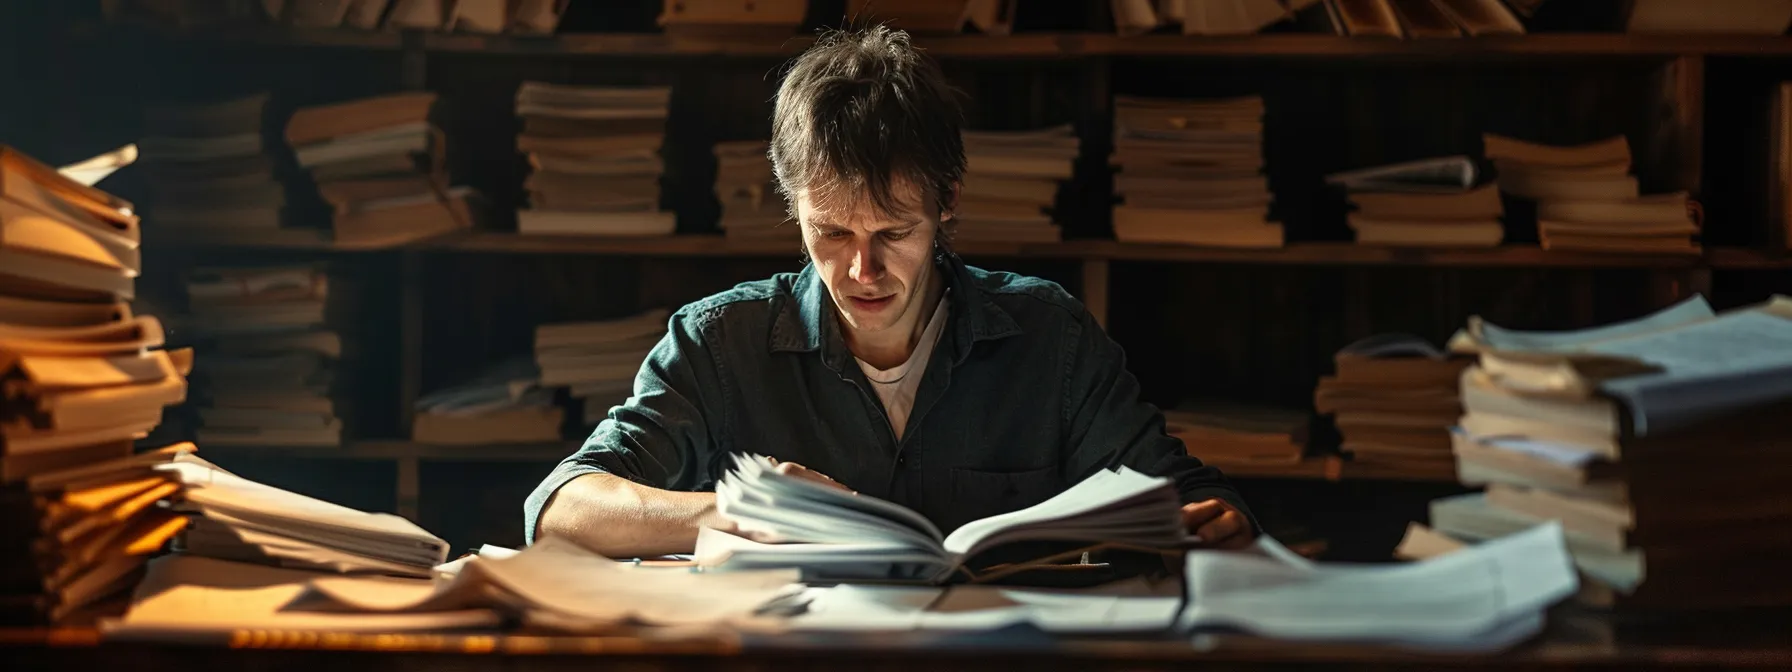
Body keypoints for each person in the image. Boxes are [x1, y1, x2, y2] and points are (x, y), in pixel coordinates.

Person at [526, 26, 1256, 558]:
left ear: (947, 204)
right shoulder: (721, 342)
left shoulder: (1050, 339)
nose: (861, 272)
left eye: (894, 233)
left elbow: (1187, 495)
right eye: (832, 233)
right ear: (794, 206)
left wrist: (1219, 520)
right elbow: (562, 506)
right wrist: (734, 511)